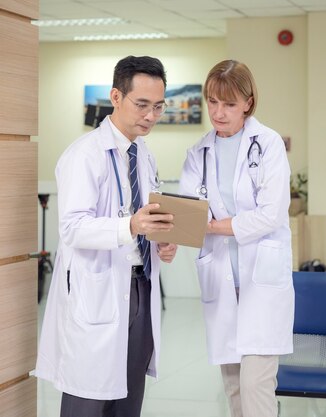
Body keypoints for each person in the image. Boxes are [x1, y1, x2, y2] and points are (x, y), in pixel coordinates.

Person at [35, 55, 178, 417]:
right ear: (116, 96)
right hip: (96, 290)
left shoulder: (143, 155)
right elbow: (71, 227)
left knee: (128, 397)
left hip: (139, 287)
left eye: (158, 107)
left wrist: (161, 241)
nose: (150, 116)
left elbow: (147, 217)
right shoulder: (84, 155)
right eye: (142, 105)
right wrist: (130, 226)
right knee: (89, 397)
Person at [178, 59, 294, 417]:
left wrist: (213, 225)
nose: (218, 112)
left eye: (228, 104)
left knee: (255, 386)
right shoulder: (198, 152)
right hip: (222, 279)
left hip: (261, 280)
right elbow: (187, 212)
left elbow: (270, 214)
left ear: (248, 102)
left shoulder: (268, 144)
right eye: (212, 102)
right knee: (233, 389)